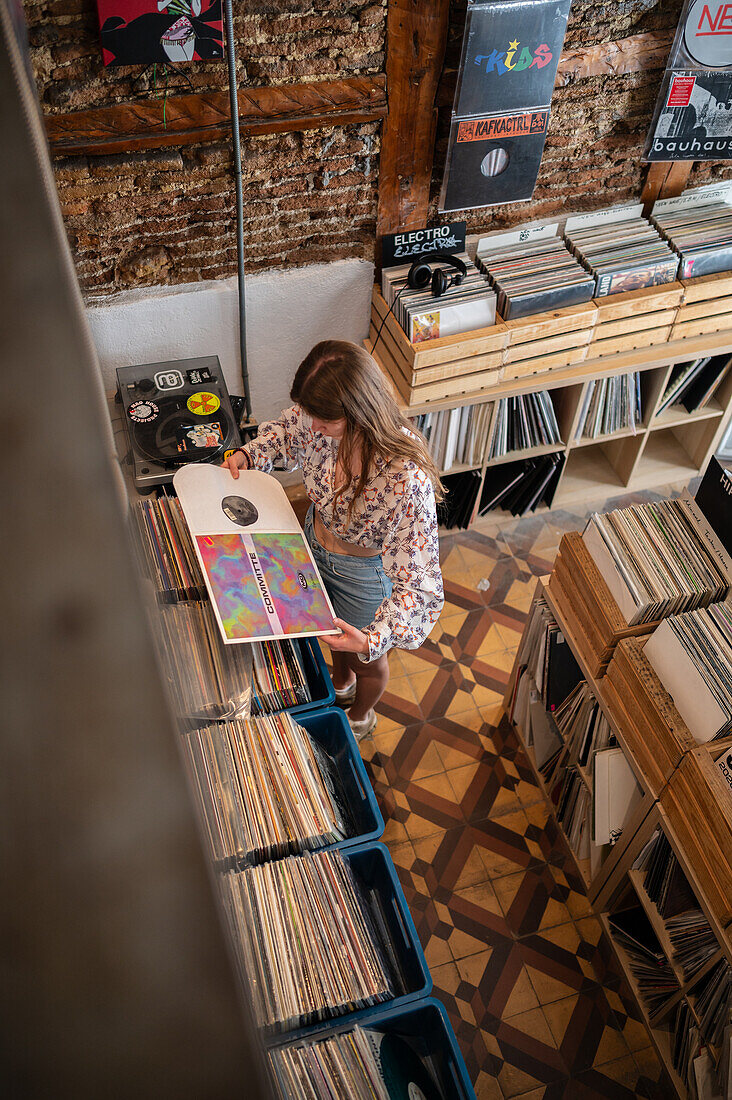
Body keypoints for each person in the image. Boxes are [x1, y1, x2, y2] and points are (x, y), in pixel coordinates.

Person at [224, 340, 444, 739]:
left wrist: (374, 637)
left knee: (364, 659)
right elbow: (289, 431)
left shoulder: (405, 477)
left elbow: (420, 580)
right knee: (327, 632)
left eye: (324, 420)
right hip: (310, 541)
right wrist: (249, 454)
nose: (313, 427)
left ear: (359, 412)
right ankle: (338, 686)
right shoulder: (318, 424)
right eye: (310, 414)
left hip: (362, 575)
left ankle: (359, 717)